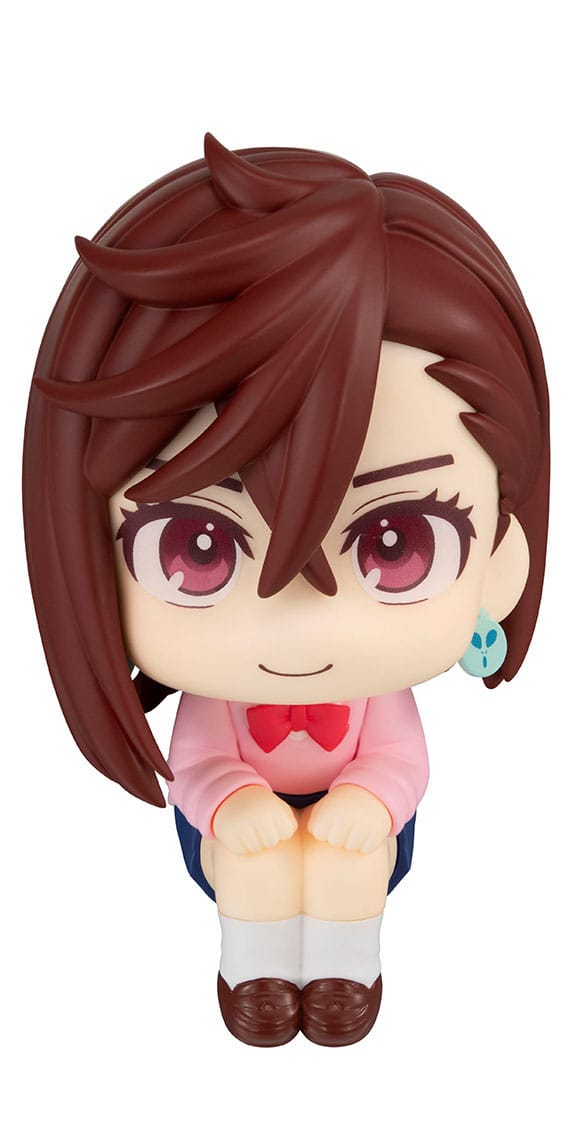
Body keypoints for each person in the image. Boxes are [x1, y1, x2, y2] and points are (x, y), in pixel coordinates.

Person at [23, 134, 549, 1047]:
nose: (299, 623)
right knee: (254, 870)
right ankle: (253, 974)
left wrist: (368, 802)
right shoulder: (218, 702)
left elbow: (401, 760)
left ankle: (348, 976)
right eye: (197, 548)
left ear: (500, 556)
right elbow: (197, 763)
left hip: (369, 827)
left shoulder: (373, 695)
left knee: (350, 870)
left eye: (395, 544)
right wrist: (233, 803)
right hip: (228, 830)